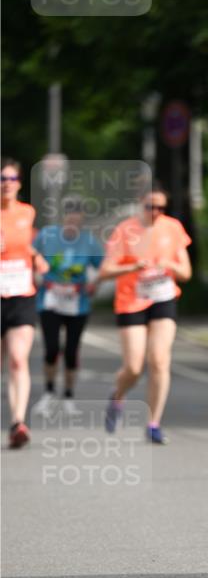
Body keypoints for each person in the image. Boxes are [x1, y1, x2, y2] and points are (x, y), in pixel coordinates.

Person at [98, 183, 192, 444]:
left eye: (161, 207)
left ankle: (153, 422)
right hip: (131, 300)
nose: (156, 212)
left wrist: (168, 263)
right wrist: (133, 267)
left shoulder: (172, 228)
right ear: (141, 203)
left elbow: (186, 273)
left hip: (163, 297)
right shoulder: (125, 230)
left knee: (160, 359)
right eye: (151, 206)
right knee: (134, 367)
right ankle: (117, 395)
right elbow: (106, 270)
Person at [32, 195, 104, 419]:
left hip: (77, 303)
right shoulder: (47, 236)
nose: (73, 218)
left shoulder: (89, 241)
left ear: (82, 217)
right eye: (69, 213)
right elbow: (31, 257)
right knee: (52, 348)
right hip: (50, 300)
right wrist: (38, 276)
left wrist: (94, 284)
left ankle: (69, 395)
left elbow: (102, 267)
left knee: (72, 351)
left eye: (77, 214)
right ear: (64, 216)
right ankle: (49, 392)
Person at [0, 157, 49, 448]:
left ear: (19, 184)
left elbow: (29, 245)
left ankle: (18, 421)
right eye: (1, 179)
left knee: (18, 359)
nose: (6, 184)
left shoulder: (27, 213)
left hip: (21, 294)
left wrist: (36, 257)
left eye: (11, 179)